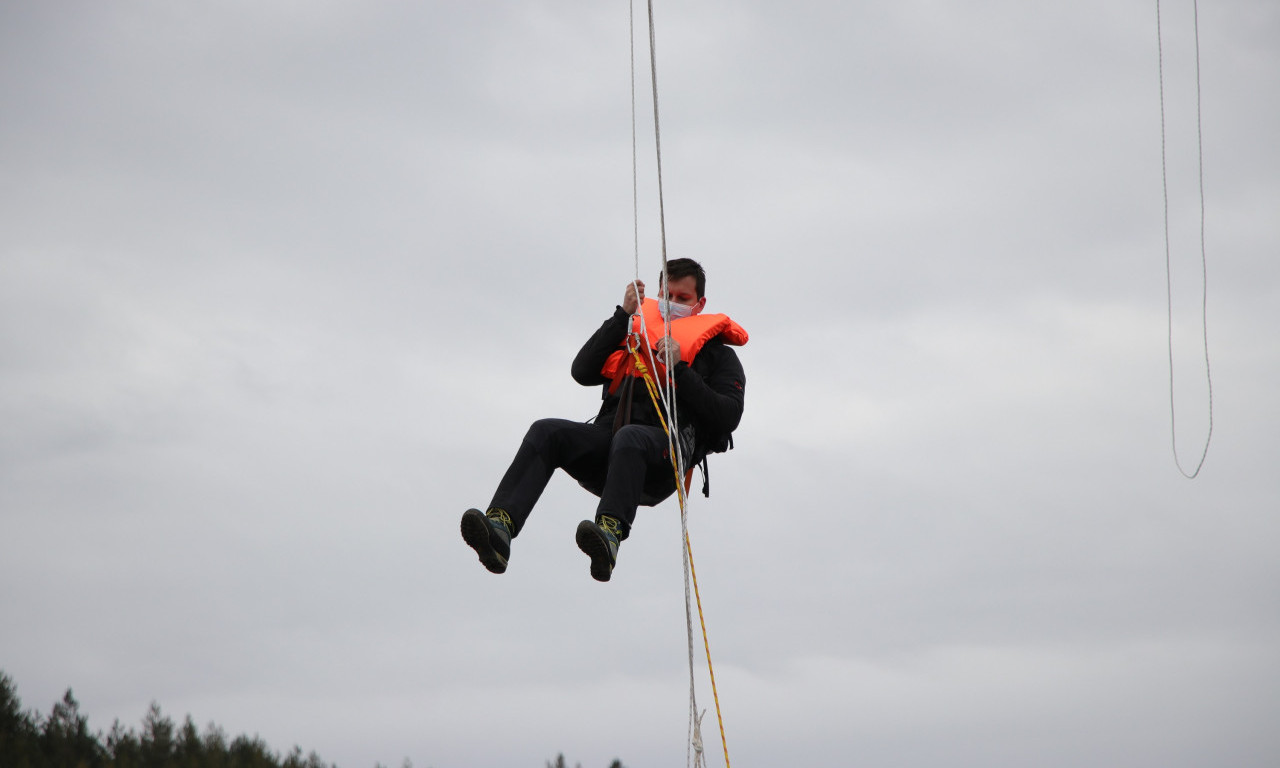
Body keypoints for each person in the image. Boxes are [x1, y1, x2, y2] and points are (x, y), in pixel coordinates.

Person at [460, 258, 747, 582]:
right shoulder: (634, 333)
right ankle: (500, 527)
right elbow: (581, 370)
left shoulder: (718, 356)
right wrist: (621, 316)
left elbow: (728, 415)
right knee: (547, 431)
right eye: (668, 296)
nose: (673, 305)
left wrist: (680, 369)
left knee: (631, 437)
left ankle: (609, 535)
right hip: (610, 451)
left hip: (662, 459)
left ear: (700, 304)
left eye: (683, 299)